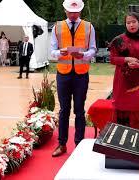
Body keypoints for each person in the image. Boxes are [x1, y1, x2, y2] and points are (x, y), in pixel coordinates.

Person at [50, 0, 96, 157]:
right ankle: (62, 144)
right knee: (64, 110)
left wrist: (83, 55)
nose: (73, 14)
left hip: (81, 73)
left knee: (79, 111)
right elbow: (52, 51)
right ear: (65, 11)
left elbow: (93, 49)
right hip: (63, 73)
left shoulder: (89, 27)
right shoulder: (57, 27)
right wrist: (59, 53)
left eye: (76, 12)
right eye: (70, 12)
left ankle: (79, 145)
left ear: (80, 11)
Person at [109, 12, 139, 132]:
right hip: (122, 83)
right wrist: (126, 59)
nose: (131, 25)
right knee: (123, 111)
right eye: (128, 22)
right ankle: (123, 140)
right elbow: (112, 59)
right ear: (125, 24)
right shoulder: (118, 40)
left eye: (134, 22)